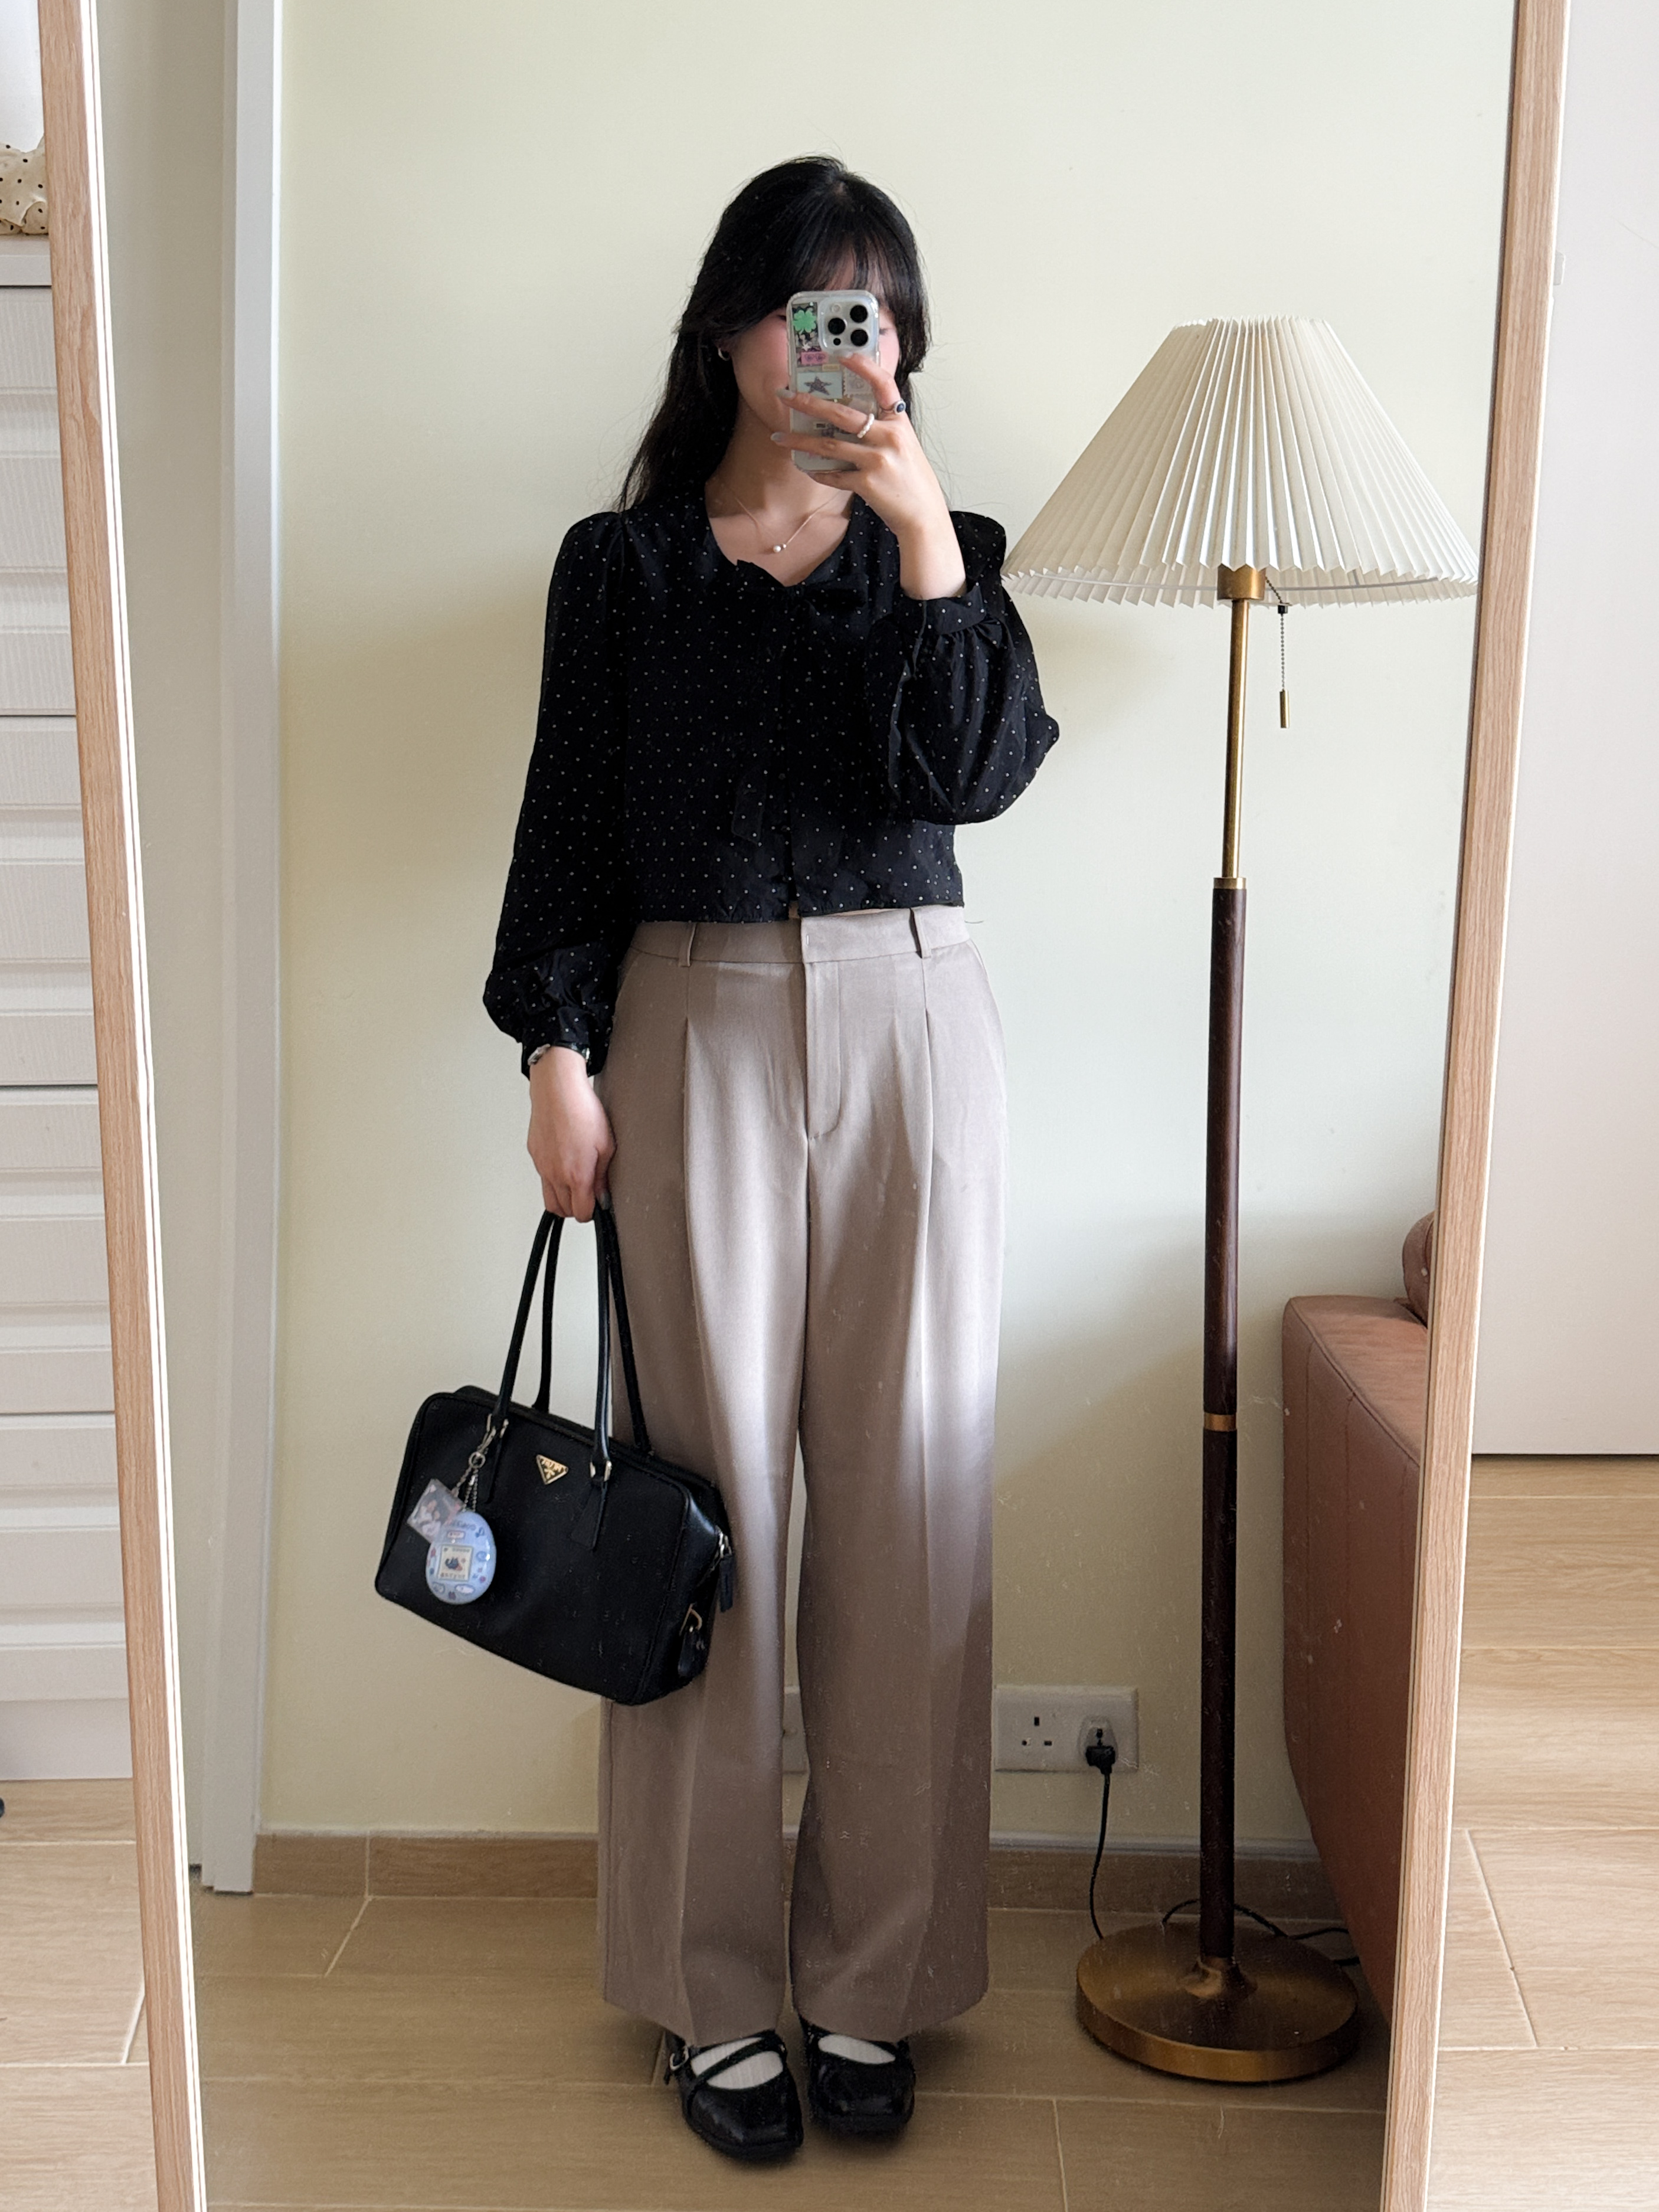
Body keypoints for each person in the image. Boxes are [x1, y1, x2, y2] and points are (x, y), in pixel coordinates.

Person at [485, 155, 1058, 2163]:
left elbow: (973, 773)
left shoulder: (945, 547)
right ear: (730, 324)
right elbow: (568, 820)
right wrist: (554, 1051)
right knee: (695, 1518)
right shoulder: (622, 565)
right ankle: (711, 1991)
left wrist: (921, 537)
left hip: (915, 1023)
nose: (843, 341)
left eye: (873, 311)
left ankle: (876, 1977)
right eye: (813, 305)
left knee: (910, 1510)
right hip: (690, 1023)